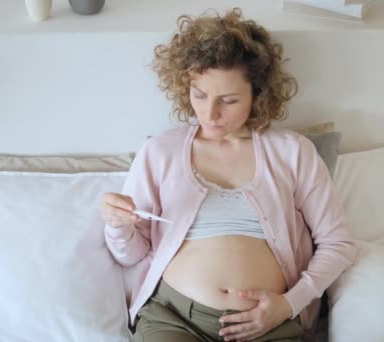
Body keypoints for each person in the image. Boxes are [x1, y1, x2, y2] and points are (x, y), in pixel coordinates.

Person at [101, 8, 356, 342]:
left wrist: (288, 304)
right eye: (199, 95)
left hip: (269, 325)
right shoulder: (160, 151)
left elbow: (338, 243)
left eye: (229, 100)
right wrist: (118, 225)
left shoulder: (294, 152)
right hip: (175, 317)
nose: (210, 114)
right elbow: (131, 255)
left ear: (258, 94)